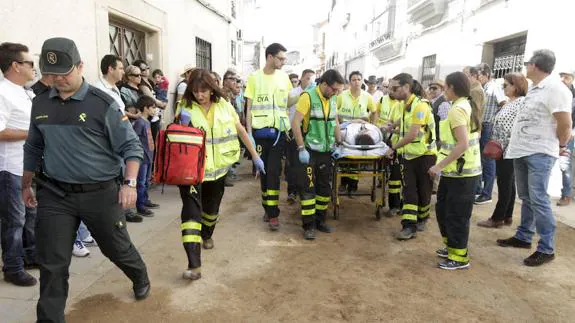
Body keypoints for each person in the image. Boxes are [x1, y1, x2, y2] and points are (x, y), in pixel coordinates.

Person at [22, 37, 150, 322]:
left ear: (80, 66)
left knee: (116, 248)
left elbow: (132, 148)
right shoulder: (40, 103)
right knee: (52, 264)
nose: (57, 80)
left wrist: (129, 184)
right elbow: (33, 146)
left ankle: (139, 274)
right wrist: (26, 182)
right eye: (51, 74)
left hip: (100, 194)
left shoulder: (103, 104)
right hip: (55, 194)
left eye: (64, 73)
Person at [174, 68, 264, 279]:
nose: (200, 95)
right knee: (190, 216)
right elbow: (176, 138)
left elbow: (241, 130)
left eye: (203, 90)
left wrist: (255, 155)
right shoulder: (184, 107)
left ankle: (207, 235)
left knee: (211, 211)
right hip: (192, 173)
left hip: (218, 172)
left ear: (212, 88)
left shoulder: (224, 106)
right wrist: (181, 124)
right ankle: (194, 265)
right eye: (195, 91)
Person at [497, 49, 573, 267]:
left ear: (535, 65)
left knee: (539, 199)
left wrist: (560, 145)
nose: (525, 65)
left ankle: (547, 248)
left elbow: (565, 123)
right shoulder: (535, 89)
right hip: (522, 150)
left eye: (527, 62)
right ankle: (523, 236)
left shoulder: (556, 89)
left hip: (539, 152)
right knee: (527, 197)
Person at [428, 71, 482, 270]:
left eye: (445, 88)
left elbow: (462, 144)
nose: (443, 92)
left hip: (462, 173)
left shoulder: (458, 109)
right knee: (443, 209)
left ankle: (459, 258)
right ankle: (451, 246)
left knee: (456, 215)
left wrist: (438, 166)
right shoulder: (463, 105)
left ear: (451, 88)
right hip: (457, 172)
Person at [0, 42, 38, 287]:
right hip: (10, 167)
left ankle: (30, 256)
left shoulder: (23, 91)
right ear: (16, 65)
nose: (34, 68)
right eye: (30, 63)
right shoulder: (3, 92)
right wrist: (31, 133)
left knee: (31, 213)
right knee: (14, 220)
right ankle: (12, 267)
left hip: (27, 166)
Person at [291, 69, 345, 240]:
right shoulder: (307, 97)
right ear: (323, 84)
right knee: (308, 189)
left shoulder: (333, 98)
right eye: (334, 89)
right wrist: (301, 148)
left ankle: (320, 221)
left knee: (324, 188)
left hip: (326, 151)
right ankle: (308, 225)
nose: (336, 92)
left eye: (338, 90)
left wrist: (338, 143)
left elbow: (334, 121)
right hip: (309, 151)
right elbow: (295, 123)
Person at [245, 42, 292, 231]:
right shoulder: (254, 78)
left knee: (273, 172)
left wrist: (305, 93)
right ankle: (267, 207)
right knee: (263, 173)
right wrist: (249, 133)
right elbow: (248, 108)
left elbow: (288, 102)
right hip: (259, 133)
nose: (283, 62)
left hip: (279, 132)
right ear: (270, 57)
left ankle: (273, 214)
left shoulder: (284, 78)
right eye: (280, 58)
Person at [389, 73, 437, 240]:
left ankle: (423, 217)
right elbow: (404, 126)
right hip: (408, 155)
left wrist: (393, 148)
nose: (392, 92)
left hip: (424, 155)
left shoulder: (421, 106)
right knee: (409, 190)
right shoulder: (405, 105)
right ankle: (409, 226)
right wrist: (392, 127)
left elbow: (412, 134)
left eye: (395, 88)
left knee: (423, 190)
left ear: (406, 87)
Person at [477, 73, 528, 228]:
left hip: (508, 149)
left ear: (516, 86)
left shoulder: (521, 103)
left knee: (504, 184)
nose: (503, 88)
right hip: (502, 148)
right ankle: (507, 215)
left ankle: (498, 217)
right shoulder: (510, 102)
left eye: (506, 85)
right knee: (508, 183)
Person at [337, 71, 377, 193]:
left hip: (360, 132)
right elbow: (334, 113)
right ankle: (343, 184)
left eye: (359, 79)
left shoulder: (367, 97)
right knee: (345, 158)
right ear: (350, 82)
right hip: (345, 131)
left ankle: (353, 186)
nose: (356, 82)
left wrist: (372, 125)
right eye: (354, 80)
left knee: (357, 159)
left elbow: (374, 112)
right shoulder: (342, 96)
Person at [475, 63, 507, 205]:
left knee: (488, 160)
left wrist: (495, 119)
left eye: (479, 75)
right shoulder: (484, 88)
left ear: (486, 75)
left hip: (489, 126)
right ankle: (480, 190)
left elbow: (503, 104)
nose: (478, 78)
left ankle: (487, 194)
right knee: (482, 159)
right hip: (483, 126)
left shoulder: (494, 87)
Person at [286, 69, 315, 203]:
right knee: (292, 163)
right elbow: (286, 105)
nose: (310, 81)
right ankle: (292, 191)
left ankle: (304, 189)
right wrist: (303, 95)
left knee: (305, 164)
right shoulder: (293, 92)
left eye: (312, 79)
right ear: (302, 78)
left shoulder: (314, 94)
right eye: (308, 78)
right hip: (293, 131)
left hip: (308, 132)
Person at [133, 96, 159, 217]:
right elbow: (135, 139)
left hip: (149, 156)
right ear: (145, 108)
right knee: (141, 182)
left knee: (146, 181)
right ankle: (140, 206)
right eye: (153, 108)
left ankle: (145, 200)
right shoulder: (139, 122)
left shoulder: (147, 122)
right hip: (143, 158)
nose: (154, 110)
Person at [132, 59, 167, 144]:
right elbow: (151, 99)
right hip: (150, 116)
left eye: (147, 67)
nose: (147, 70)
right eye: (143, 69)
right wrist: (162, 104)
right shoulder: (143, 84)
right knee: (152, 143)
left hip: (156, 114)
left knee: (157, 142)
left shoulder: (150, 81)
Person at [557, 70, 575, 206]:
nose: (563, 79)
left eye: (566, 77)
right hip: (555, 133)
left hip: (569, 134)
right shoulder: (557, 93)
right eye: (561, 76)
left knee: (565, 165)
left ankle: (566, 195)